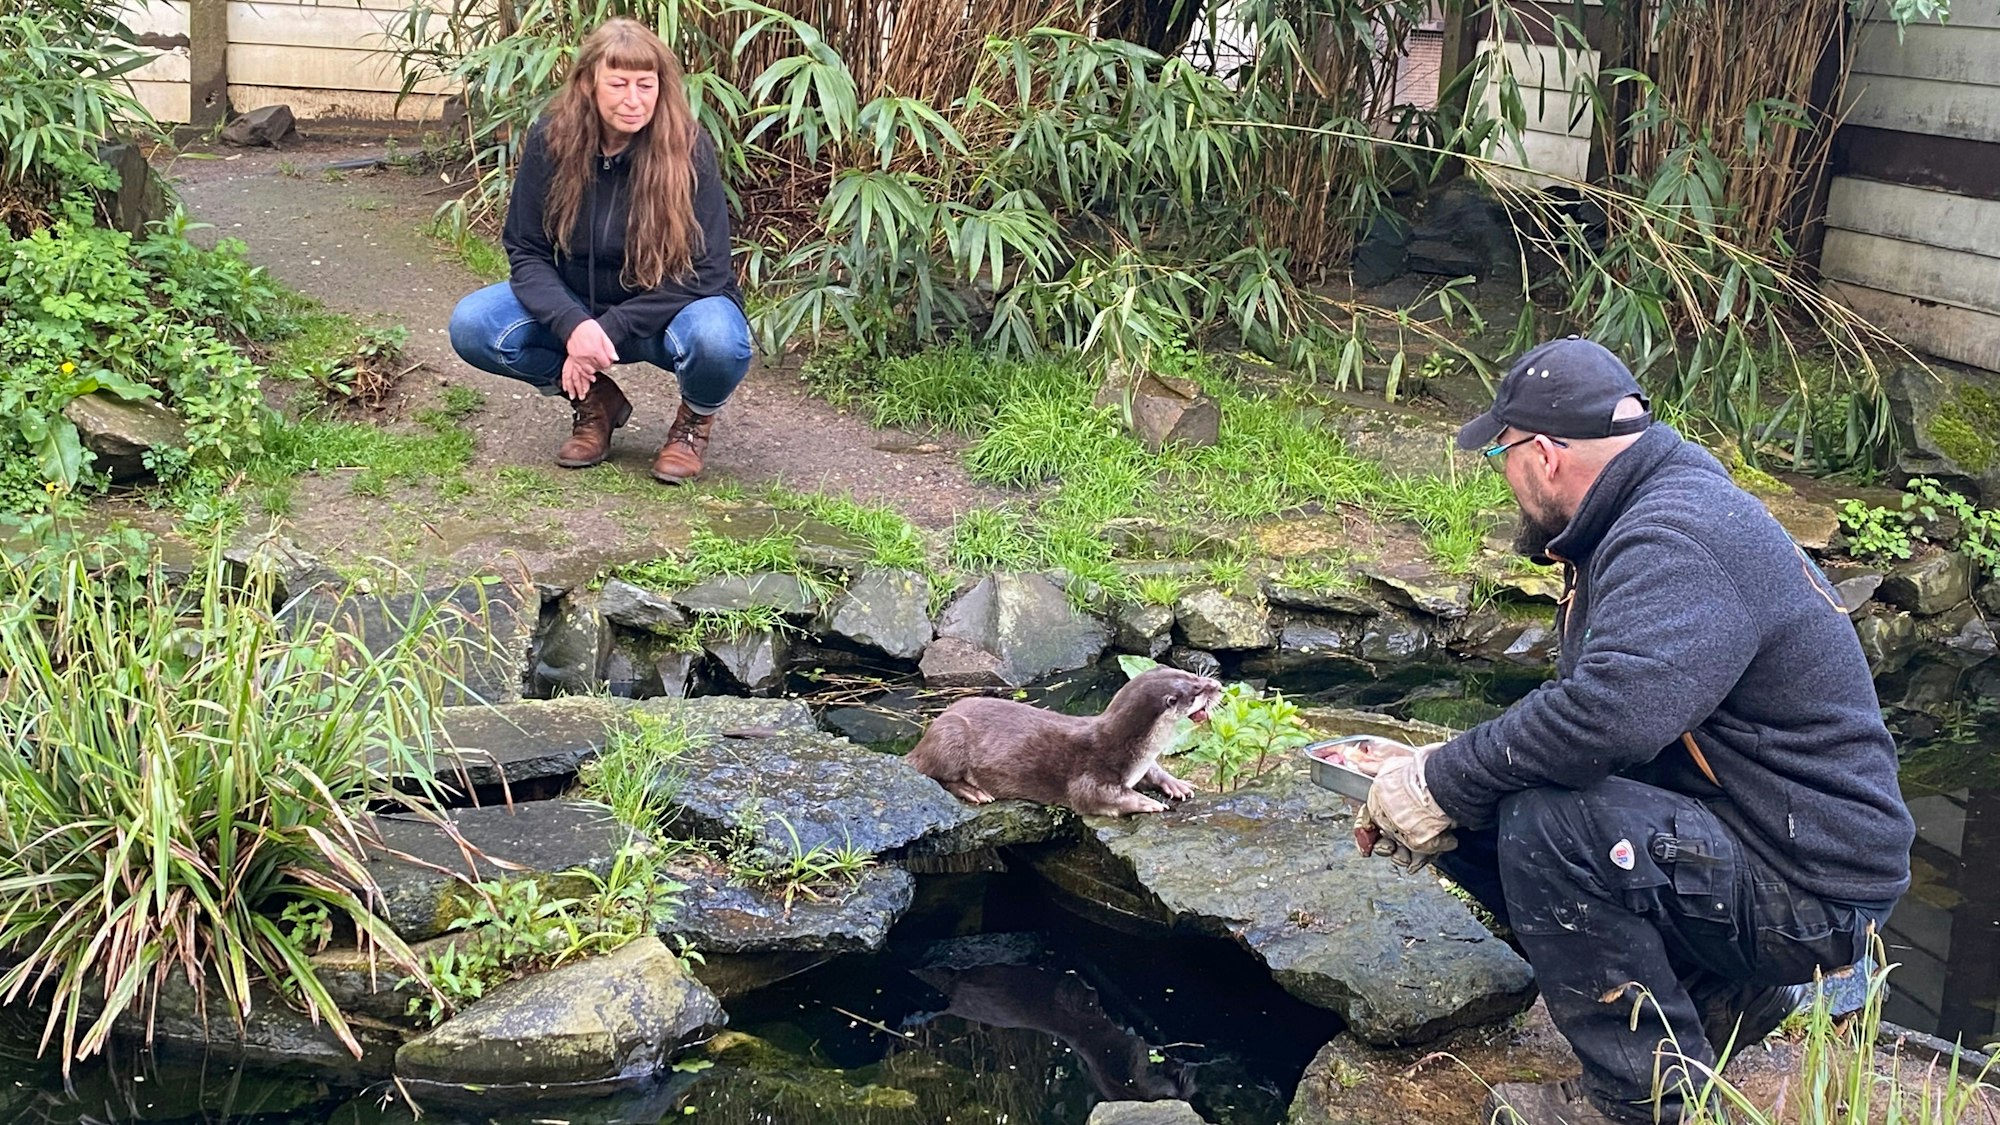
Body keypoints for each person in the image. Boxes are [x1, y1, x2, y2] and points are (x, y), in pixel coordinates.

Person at [1357, 337, 1914, 1125]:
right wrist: (1439, 771)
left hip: (1813, 890)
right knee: (1489, 807)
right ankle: (1721, 999)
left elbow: (1606, 718)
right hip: (1761, 840)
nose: (1507, 480)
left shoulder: (1675, 537)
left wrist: (1441, 779)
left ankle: (1641, 1101)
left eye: (1505, 456)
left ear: (1544, 455)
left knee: (1548, 823)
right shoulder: (1650, 509)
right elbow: (1593, 714)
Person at [447, 18, 750, 483]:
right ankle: (595, 402)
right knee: (474, 326)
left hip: (665, 314)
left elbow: (709, 271)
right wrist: (573, 326)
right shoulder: (552, 139)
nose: (634, 100)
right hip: (580, 306)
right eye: (619, 84)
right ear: (589, 83)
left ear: (661, 87)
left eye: (645, 85)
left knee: (719, 339)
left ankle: (692, 424)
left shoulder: (688, 148)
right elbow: (525, 250)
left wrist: (606, 329)